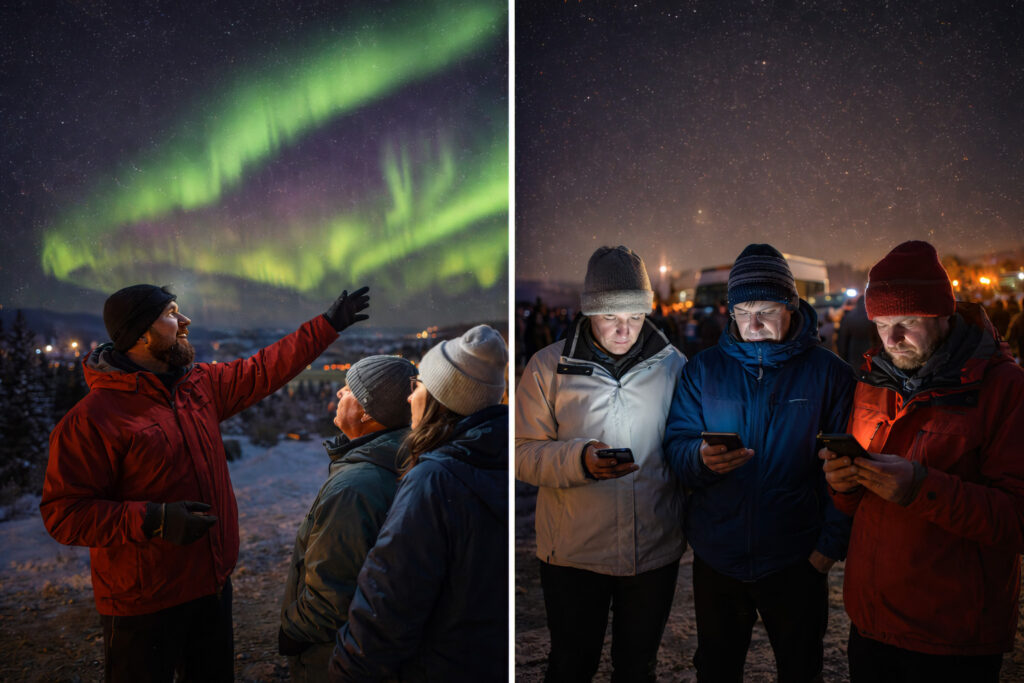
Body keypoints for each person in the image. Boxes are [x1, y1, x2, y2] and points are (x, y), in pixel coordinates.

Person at [40, 283, 369, 683]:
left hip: (210, 585)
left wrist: (327, 325)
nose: (185, 321)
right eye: (171, 313)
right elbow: (64, 514)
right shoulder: (93, 419)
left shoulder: (199, 386)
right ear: (141, 333)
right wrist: (154, 519)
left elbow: (264, 368)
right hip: (143, 603)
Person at [820, 241, 1024, 683]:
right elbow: (857, 508)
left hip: (952, 635)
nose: (891, 340)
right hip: (872, 623)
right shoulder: (874, 381)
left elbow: (1016, 517)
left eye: (907, 322)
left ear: (944, 315)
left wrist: (920, 487)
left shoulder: (1004, 388)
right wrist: (844, 484)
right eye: (882, 324)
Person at [663, 244, 855, 683]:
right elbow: (676, 444)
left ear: (791, 306)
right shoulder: (703, 371)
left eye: (766, 310)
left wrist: (827, 549)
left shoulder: (830, 375)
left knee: (800, 668)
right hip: (719, 554)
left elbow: (845, 471)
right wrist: (700, 459)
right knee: (716, 668)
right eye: (742, 311)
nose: (753, 324)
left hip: (795, 556)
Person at [515, 245, 686, 682]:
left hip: (651, 550)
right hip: (574, 554)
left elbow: (682, 446)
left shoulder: (674, 368)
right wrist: (579, 459)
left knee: (637, 667)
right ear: (589, 311)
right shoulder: (547, 368)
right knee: (571, 665)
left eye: (634, 316)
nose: (624, 330)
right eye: (611, 317)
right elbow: (520, 452)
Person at [329, 325, 508, 682]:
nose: (410, 398)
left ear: (442, 400)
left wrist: (347, 670)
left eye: (419, 387)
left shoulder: (433, 480)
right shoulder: (496, 458)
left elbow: (389, 602)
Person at [278, 354, 417, 682]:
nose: (340, 394)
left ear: (368, 411)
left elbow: (332, 594)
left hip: (337, 654)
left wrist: (294, 631)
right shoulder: (402, 461)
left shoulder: (356, 487)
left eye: (349, 389)